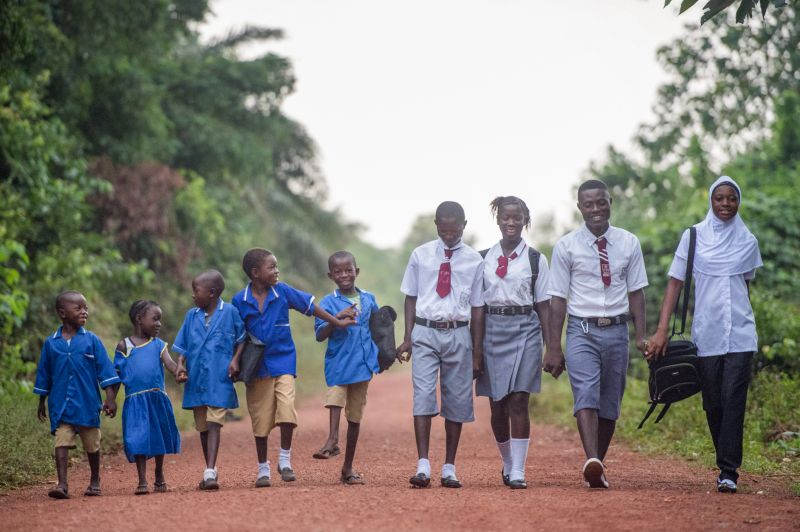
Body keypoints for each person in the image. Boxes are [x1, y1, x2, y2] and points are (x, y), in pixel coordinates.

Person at [646, 176, 762, 494]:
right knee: (713, 402)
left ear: (738, 202)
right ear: (711, 201)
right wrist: (661, 331)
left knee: (734, 399)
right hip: (707, 333)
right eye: (719, 198)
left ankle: (728, 470)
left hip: (741, 333)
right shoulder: (694, 237)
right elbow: (675, 283)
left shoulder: (747, 240)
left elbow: (745, 285)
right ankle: (723, 461)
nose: (725, 204)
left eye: (731, 198)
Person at [544, 179, 648, 489]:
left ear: (610, 202)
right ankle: (591, 457)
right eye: (588, 204)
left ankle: (596, 464)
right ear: (580, 208)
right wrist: (553, 347)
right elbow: (557, 299)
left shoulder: (629, 243)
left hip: (617, 330)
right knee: (586, 394)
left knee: (610, 402)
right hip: (581, 329)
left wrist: (641, 335)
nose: (595, 209)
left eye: (600, 202)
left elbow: (637, 293)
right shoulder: (566, 246)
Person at [230, 248, 355, 488]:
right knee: (261, 419)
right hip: (256, 367)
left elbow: (311, 307)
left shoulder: (283, 291)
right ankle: (263, 468)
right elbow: (237, 335)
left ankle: (285, 459)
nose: (277, 271)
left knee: (287, 410)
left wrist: (336, 320)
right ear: (255, 273)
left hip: (283, 361)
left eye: (277, 266)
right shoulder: (239, 300)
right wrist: (235, 360)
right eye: (272, 267)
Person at [397, 201, 485, 489]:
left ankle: (449, 467)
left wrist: (477, 351)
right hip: (425, 331)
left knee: (457, 400)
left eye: (454, 229)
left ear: (464, 226)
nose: (449, 234)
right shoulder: (420, 255)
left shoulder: (475, 260)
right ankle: (423, 465)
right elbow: (410, 297)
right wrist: (408, 336)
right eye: (443, 229)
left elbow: (477, 308)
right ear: (436, 225)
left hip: (458, 332)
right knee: (423, 395)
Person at [476, 196, 551, 489]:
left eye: (517, 218)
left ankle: (519, 469)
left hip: (526, 327)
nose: (511, 222)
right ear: (498, 220)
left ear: (525, 221)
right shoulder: (483, 258)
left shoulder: (535, 259)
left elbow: (544, 304)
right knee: (498, 404)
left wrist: (551, 346)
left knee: (520, 398)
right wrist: (476, 349)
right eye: (505, 217)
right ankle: (507, 462)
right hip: (493, 328)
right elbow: (477, 307)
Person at [34, 291, 121, 499]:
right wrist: (41, 401)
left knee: (92, 444)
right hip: (61, 405)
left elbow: (106, 371)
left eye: (86, 308)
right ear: (62, 313)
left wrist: (110, 399)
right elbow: (44, 374)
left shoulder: (92, 340)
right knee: (61, 442)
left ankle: (94, 480)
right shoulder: (51, 343)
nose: (84, 312)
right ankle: (62, 484)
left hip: (87, 404)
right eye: (79, 308)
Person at [173, 270, 246, 490]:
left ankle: (210, 470)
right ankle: (209, 470)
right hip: (196, 379)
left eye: (197, 291)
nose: (194, 296)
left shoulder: (230, 312)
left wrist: (235, 360)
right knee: (203, 427)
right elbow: (183, 346)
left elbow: (242, 339)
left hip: (220, 378)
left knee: (215, 423)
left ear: (212, 293)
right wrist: (180, 364)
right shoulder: (191, 316)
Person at [313, 251, 380, 485]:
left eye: (348, 270)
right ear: (331, 275)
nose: (344, 275)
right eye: (338, 272)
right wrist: (336, 318)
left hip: (362, 366)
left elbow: (379, 330)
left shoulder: (369, 299)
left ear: (356, 271)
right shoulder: (327, 303)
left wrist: (385, 354)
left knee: (354, 417)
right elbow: (320, 335)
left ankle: (347, 467)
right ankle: (332, 439)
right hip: (339, 364)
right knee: (334, 398)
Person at [114, 300, 185, 495]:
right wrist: (110, 399)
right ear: (139, 319)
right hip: (135, 401)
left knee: (158, 435)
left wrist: (178, 372)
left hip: (156, 399)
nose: (159, 323)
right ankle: (142, 480)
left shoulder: (159, 345)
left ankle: (159, 474)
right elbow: (116, 376)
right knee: (137, 438)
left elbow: (170, 364)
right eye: (155, 319)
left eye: (160, 320)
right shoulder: (124, 346)